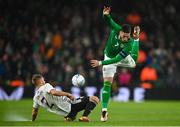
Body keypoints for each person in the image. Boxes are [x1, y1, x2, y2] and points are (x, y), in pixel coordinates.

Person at [90, 7, 140, 122]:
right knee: (107, 83)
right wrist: (105, 15)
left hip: (120, 58)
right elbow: (109, 21)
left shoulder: (128, 44)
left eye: (128, 36)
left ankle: (137, 39)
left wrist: (100, 63)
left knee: (133, 63)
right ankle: (104, 111)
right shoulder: (116, 29)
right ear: (121, 32)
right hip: (109, 56)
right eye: (124, 36)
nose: (126, 38)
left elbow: (117, 59)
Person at [31, 74, 99, 122]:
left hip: (64, 113)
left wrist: (32, 120)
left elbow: (34, 112)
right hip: (69, 105)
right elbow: (54, 92)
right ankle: (84, 116)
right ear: (40, 81)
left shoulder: (35, 98)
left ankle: (70, 117)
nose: (44, 81)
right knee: (94, 98)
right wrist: (68, 94)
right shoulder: (45, 86)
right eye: (43, 80)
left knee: (72, 116)